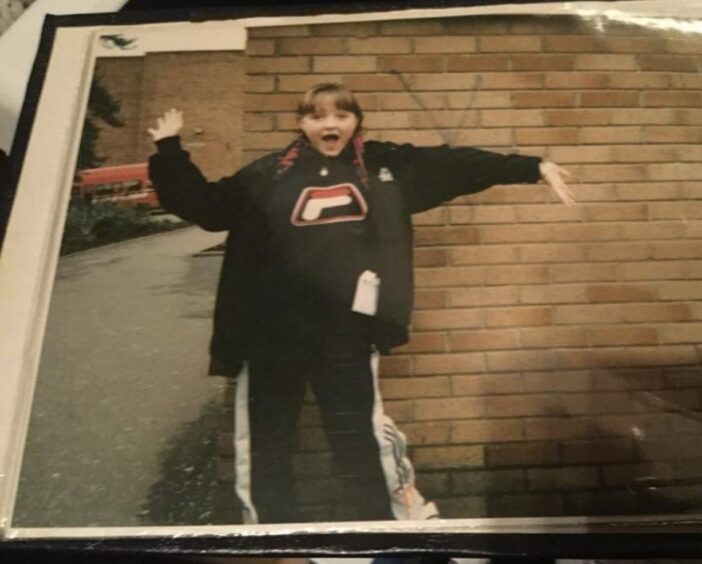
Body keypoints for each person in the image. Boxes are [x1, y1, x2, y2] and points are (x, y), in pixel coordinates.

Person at [147, 83, 574, 524]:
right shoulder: (269, 174)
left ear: (355, 122)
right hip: (270, 336)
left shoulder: (387, 168)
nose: (329, 124)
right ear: (302, 124)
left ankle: (381, 532)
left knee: (359, 443)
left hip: (345, 337)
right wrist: (169, 151)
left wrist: (534, 167)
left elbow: (454, 164)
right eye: (317, 116)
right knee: (266, 446)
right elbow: (209, 207)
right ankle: (272, 539)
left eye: (341, 115)